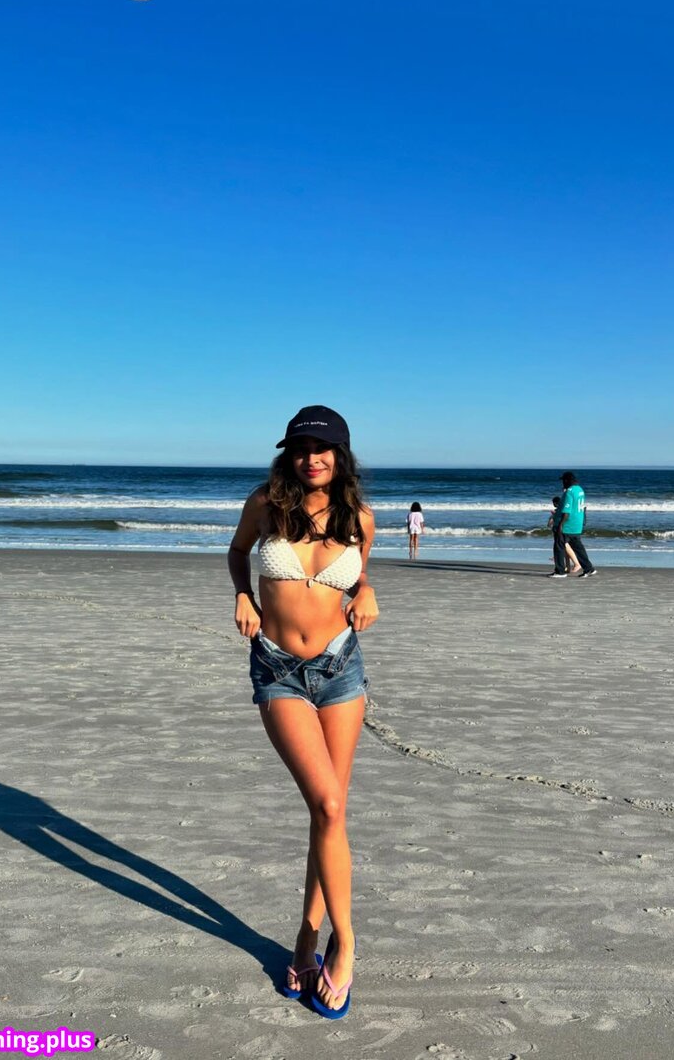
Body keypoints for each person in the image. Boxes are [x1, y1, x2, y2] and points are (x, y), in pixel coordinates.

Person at [227, 405, 379, 1019]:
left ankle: (309, 938)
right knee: (328, 805)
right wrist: (243, 594)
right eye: (301, 449)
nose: (312, 459)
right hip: (279, 669)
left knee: (329, 812)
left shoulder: (359, 517)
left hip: (341, 668)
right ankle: (348, 943)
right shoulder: (266, 504)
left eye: (323, 449)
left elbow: (360, 576)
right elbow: (238, 551)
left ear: (341, 456)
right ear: (288, 455)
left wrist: (368, 590)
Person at [549, 471, 597, 578]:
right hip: (577, 524)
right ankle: (589, 568)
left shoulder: (569, 492)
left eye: (563, 481)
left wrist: (561, 525)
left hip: (567, 525)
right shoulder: (580, 490)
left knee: (559, 547)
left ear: (567, 480)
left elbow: (567, 511)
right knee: (578, 548)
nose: (562, 483)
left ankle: (560, 571)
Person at [547, 495, 580, 575]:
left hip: (562, 530)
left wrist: (553, 516)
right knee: (565, 549)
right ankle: (567, 566)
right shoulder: (563, 509)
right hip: (566, 530)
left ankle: (576, 564)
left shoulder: (560, 511)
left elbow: (549, 524)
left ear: (555, 503)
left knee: (565, 546)